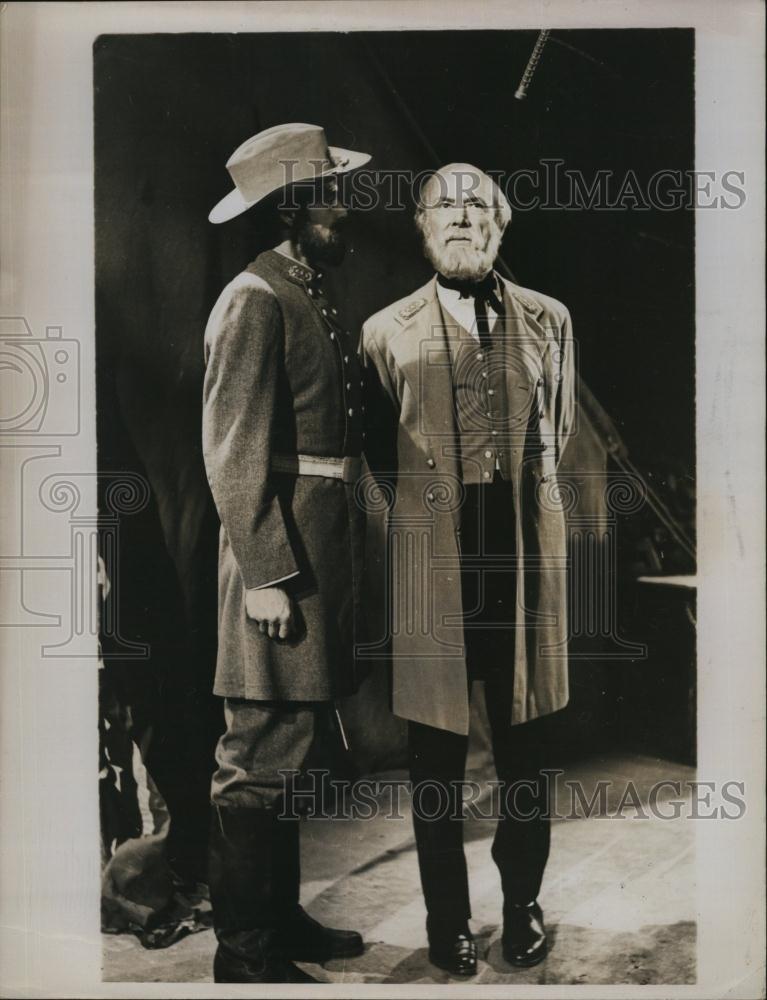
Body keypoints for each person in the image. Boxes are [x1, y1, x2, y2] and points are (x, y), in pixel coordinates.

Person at [360, 163, 575, 976]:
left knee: (525, 754)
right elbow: (378, 461)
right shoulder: (384, 331)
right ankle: (446, 919)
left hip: (520, 559)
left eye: (476, 205)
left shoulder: (549, 319)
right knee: (436, 762)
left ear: (500, 224)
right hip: (434, 569)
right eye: (443, 207)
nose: (460, 217)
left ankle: (521, 904)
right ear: (420, 228)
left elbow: (552, 431)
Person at [202, 122, 371, 983]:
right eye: (332, 194)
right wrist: (266, 573)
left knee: (294, 753)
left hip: (320, 557)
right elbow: (231, 450)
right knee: (256, 762)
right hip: (278, 567)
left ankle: (279, 920)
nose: (345, 207)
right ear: (294, 206)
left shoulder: (304, 286)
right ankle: (245, 954)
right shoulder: (253, 297)